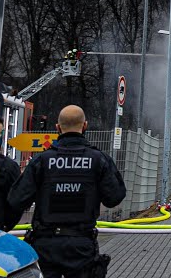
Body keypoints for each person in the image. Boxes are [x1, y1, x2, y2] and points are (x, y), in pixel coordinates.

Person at [9, 105, 126, 278]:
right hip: (81, 245)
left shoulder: (42, 160)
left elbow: (17, 199)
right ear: (85, 126)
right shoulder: (98, 159)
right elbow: (114, 197)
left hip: (45, 244)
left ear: (57, 127)